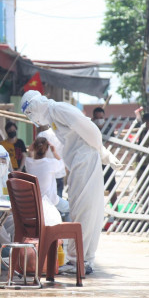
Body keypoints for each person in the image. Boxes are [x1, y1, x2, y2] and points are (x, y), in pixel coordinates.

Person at [20, 90, 122, 275]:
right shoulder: (52, 115)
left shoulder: (58, 109)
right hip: (80, 161)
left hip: (85, 160)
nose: (32, 117)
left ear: (34, 106)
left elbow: (89, 129)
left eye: (29, 113)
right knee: (81, 209)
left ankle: (80, 260)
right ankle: (81, 259)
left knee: (84, 210)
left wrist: (101, 151)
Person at [25, 137, 71, 222]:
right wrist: (54, 152)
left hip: (34, 201)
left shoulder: (29, 163)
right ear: (47, 149)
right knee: (70, 209)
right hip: (50, 200)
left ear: (33, 147)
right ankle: (70, 234)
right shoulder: (50, 163)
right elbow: (62, 163)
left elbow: (29, 157)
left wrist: (30, 150)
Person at [36, 125, 66, 197]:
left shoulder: (42, 134)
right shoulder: (64, 135)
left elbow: (35, 152)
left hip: (44, 173)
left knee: (44, 201)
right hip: (59, 173)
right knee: (58, 202)